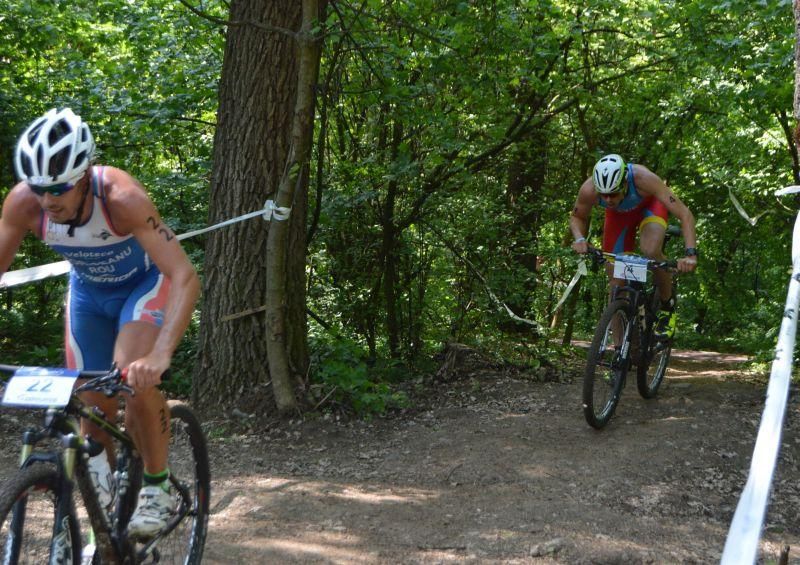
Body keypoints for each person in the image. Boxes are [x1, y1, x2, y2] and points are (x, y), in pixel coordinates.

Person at [1, 108, 200, 538]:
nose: (48, 200)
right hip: (89, 294)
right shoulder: (23, 204)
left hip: (143, 287)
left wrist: (161, 353)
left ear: (85, 175)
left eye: (59, 187)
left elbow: (184, 275)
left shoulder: (122, 198)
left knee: (131, 374)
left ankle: (157, 486)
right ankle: (103, 509)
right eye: (39, 188)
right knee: (91, 400)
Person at [569, 154, 697, 339]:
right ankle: (619, 350)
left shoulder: (644, 179)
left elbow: (685, 214)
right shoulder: (589, 189)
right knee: (616, 283)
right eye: (603, 195)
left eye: (613, 193)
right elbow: (577, 216)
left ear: (624, 183)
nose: (608, 199)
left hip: (650, 208)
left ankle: (666, 307)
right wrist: (580, 239)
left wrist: (690, 253)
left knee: (650, 250)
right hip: (619, 217)